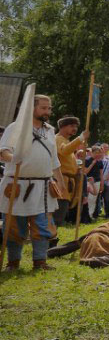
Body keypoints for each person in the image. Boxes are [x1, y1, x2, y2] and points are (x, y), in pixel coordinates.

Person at [0, 93, 60, 271]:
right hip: (17, 185)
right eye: (43, 107)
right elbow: (3, 152)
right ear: (31, 108)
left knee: (42, 225)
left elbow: (54, 159)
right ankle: (13, 262)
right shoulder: (16, 127)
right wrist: (14, 157)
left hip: (43, 186)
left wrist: (61, 183)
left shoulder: (50, 130)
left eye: (49, 108)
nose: (47, 111)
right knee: (14, 226)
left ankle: (40, 261)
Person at [53, 114, 85, 225]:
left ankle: (51, 240)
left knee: (60, 216)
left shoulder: (66, 141)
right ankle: (49, 241)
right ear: (62, 126)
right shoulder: (57, 139)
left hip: (68, 183)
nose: (75, 128)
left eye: (76, 126)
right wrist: (80, 139)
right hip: (60, 183)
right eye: (71, 125)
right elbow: (64, 151)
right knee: (56, 218)